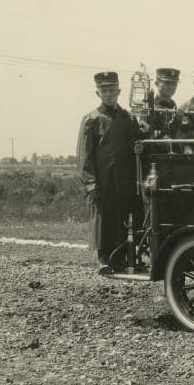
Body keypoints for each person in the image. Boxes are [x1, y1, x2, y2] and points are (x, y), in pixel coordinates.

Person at [77, 71, 144, 274]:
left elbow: (138, 145)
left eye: (112, 90)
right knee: (103, 219)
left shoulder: (128, 119)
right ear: (98, 93)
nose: (108, 94)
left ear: (119, 91)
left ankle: (123, 258)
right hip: (103, 181)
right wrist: (90, 183)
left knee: (126, 218)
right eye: (104, 90)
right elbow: (84, 155)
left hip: (125, 179)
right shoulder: (92, 119)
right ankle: (104, 260)